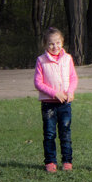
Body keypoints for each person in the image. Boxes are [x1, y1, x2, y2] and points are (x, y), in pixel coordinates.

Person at [33, 27, 77, 173]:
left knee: (65, 132)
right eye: (51, 44)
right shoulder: (41, 61)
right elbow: (38, 83)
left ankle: (67, 161)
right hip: (48, 104)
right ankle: (50, 161)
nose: (55, 46)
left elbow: (73, 78)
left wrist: (70, 92)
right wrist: (54, 93)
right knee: (50, 134)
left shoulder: (67, 58)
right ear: (45, 45)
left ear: (62, 42)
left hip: (65, 104)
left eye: (58, 43)